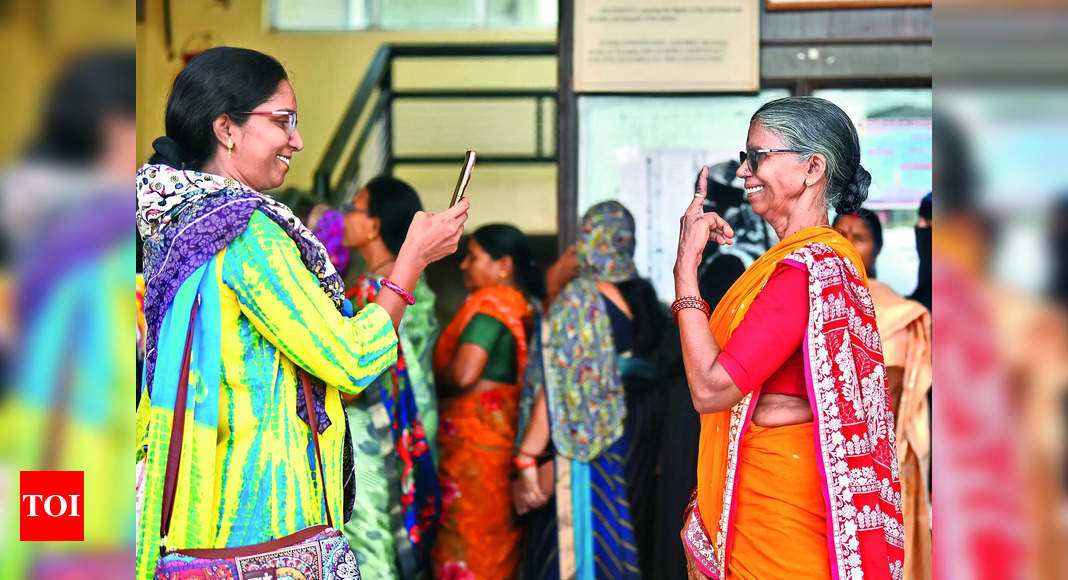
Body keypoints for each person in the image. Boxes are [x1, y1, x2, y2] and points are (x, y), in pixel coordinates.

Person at [134, 47, 468, 579]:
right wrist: (412, 259)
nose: (298, 140)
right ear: (227, 128)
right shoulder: (244, 232)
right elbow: (353, 358)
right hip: (263, 522)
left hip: (205, 508)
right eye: (283, 121)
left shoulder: (176, 217)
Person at [674, 96, 904, 579]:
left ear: (812, 167)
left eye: (758, 156)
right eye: (744, 157)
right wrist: (772, 405)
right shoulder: (806, 263)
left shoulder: (804, 269)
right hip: (778, 491)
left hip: (779, 512)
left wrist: (685, 276)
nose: (743, 172)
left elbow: (712, 388)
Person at [514, 201, 668, 579]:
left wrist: (526, 456)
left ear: (588, 237)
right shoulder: (647, 299)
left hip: (592, 442)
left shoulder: (580, 298)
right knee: (627, 535)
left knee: (580, 548)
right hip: (639, 432)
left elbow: (561, 384)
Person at [337, 176, 442, 579]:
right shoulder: (421, 288)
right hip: (410, 434)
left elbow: (355, 376)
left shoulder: (376, 293)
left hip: (372, 440)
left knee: (369, 540)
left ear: (375, 225)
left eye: (355, 209)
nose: (345, 217)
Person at [431, 224, 543, 579]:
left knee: (467, 539)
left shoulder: (492, 306)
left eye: (473, 257)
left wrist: (426, 377)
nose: (464, 265)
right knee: (494, 545)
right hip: (501, 444)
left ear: (503, 265)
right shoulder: (525, 305)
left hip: (473, 454)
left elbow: (465, 374)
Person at [834, 209, 932, 580]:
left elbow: (892, 399)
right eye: (839, 234)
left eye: (859, 238)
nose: (847, 245)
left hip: (877, 465)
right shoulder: (807, 302)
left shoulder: (897, 313)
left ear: (878, 247)